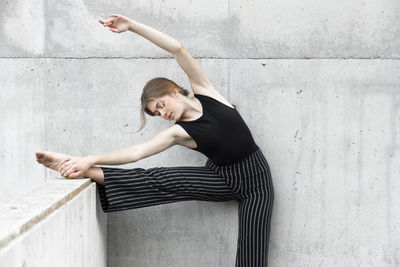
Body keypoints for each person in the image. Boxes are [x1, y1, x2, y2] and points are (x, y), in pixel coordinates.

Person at [35, 14, 274, 267]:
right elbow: (137, 152)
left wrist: (133, 26)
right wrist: (89, 159)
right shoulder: (178, 132)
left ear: (174, 91)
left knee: (253, 255)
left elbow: (177, 48)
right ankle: (84, 168)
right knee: (162, 178)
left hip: (256, 182)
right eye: (156, 113)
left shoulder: (206, 92)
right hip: (221, 177)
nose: (163, 113)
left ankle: (82, 165)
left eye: (161, 105)